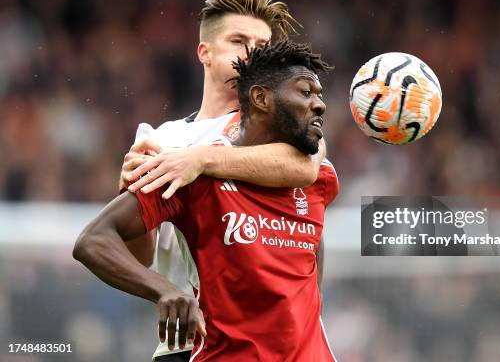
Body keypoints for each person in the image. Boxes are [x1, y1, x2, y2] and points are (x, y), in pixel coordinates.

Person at [73, 40, 338, 361]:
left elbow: (312, 238)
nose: (320, 104)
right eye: (306, 92)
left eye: (320, 94)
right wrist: (164, 290)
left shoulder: (317, 176)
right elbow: (93, 240)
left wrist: (311, 311)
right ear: (261, 98)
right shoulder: (191, 171)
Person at [116, 0, 329, 361]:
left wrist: (203, 158)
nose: (250, 55)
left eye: (261, 46)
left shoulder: (280, 129)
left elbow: (306, 168)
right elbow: (141, 257)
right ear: (205, 52)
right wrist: (130, 185)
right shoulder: (160, 139)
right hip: (187, 345)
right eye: (238, 42)